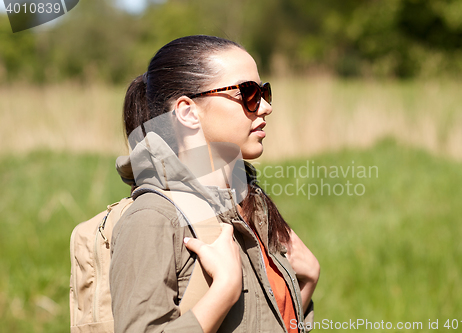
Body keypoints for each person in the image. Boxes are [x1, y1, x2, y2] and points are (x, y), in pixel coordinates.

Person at [109, 35, 320, 333]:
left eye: (264, 92)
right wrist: (224, 291)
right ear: (187, 112)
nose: (264, 107)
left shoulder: (250, 207)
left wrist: (306, 283)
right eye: (247, 92)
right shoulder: (153, 218)